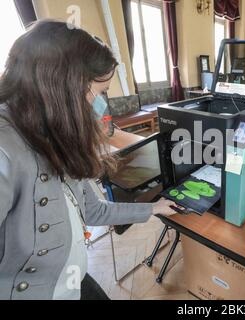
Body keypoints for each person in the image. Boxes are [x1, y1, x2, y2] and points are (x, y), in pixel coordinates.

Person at [0, 20, 177, 300]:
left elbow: (93, 211)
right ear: (65, 86)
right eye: (99, 91)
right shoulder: (5, 144)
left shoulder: (56, 136)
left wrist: (153, 209)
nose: (99, 104)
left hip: (74, 279)